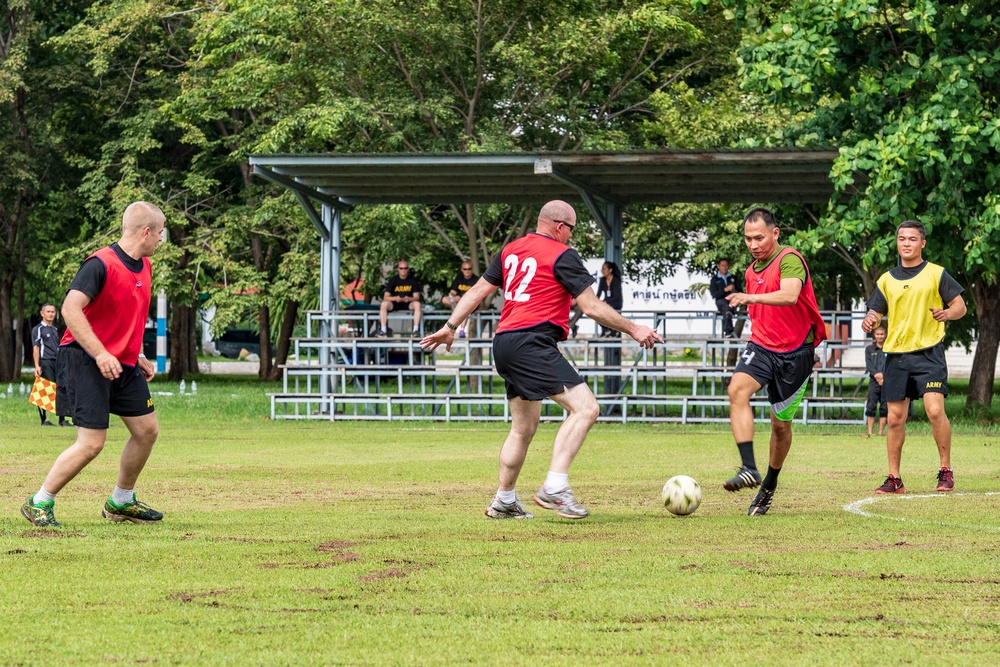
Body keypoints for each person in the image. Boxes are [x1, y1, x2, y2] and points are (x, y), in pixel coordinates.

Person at [420, 200, 662, 520]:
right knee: (586, 408)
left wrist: (450, 327)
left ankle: (504, 500)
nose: (571, 238)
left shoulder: (511, 250)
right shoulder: (562, 255)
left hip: (504, 343)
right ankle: (555, 488)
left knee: (523, 427)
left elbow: (478, 290)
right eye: (571, 231)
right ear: (560, 227)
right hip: (532, 342)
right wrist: (634, 328)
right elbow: (590, 306)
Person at [21, 201, 167, 529]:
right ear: (146, 232)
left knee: (146, 431)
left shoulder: (145, 266)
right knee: (91, 443)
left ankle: (121, 502)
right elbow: (71, 309)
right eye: (160, 233)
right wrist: (101, 353)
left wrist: (138, 354)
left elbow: (127, 314)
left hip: (122, 363)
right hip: (87, 359)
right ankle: (39, 501)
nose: (161, 239)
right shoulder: (100, 263)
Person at [722, 208, 828, 516]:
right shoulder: (751, 270)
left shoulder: (790, 259)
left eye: (759, 237)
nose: (753, 245)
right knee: (737, 390)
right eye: (747, 239)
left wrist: (751, 298)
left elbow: (790, 295)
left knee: (780, 426)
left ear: (775, 233)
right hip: (762, 347)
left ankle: (768, 484)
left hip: (796, 354)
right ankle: (748, 468)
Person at [861, 220, 966, 495]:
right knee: (895, 418)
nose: (906, 243)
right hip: (896, 356)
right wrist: (870, 320)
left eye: (911, 239)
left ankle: (946, 470)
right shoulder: (886, 279)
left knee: (934, 410)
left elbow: (960, 306)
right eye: (901, 238)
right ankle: (894, 478)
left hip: (929, 353)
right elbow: (876, 311)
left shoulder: (936, 274)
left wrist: (947, 313)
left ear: (923, 243)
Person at [31, 303, 70, 427]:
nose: (51, 314)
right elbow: (36, 347)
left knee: (60, 388)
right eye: (48, 312)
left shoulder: (55, 330)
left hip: (56, 362)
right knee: (45, 388)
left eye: (52, 312)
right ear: (42, 313)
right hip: (45, 361)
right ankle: (44, 420)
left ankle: (62, 420)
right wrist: (37, 365)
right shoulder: (38, 329)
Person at [377, 261, 422, 337]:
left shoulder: (413, 280)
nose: (403, 270)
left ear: (408, 269)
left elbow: (417, 297)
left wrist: (409, 299)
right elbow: (386, 296)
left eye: (405, 268)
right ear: (398, 269)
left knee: (417, 304)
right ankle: (383, 330)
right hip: (394, 303)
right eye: (401, 268)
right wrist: (395, 298)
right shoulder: (393, 280)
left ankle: (416, 330)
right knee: (384, 304)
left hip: (408, 303)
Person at [441, 261, 479, 337]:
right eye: (465, 269)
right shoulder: (459, 278)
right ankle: (455, 310)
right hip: (457, 302)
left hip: (470, 303)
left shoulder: (476, 279)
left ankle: (462, 329)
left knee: (464, 307)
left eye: (469, 269)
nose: (467, 271)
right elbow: (453, 292)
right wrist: (453, 296)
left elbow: (476, 294)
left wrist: (461, 297)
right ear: (462, 269)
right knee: (444, 299)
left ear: (472, 269)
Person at [864, 324, 888, 438]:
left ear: (885, 335)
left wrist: (883, 377)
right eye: (878, 334)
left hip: (887, 381)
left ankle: (880, 432)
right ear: (874, 335)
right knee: (871, 405)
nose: (880, 336)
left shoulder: (889, 348)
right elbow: (869, 365)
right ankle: (870, 432)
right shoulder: (869, 349)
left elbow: (890, 365)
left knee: (885, 406)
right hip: (874, 381)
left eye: (882, 334)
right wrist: (877, 376)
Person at [709, 259, 742, 338]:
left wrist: (734, 290)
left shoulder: (733, 278)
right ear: (718, 266)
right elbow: (714, 294)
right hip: (721, 302)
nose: (724, 267)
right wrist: (725, 290)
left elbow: (741, 292)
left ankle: (728, 330)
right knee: (726, 307)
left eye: (726, 265)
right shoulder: (715, 280)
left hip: (732, 301)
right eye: (722, 265)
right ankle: (728, 330)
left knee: (728, 307)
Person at [596, 261, 623, 337]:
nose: (602, 271)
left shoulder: (616, 280)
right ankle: (606, 329)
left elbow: (617, 296)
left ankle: (612, 330)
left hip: (616, 302)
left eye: (604, 269)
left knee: (607, 310)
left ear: (610, 270)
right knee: (595, 311)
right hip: (606, 303)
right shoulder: (602, 280)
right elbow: (598, 293)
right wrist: (595, 300)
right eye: (602, 269)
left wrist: (605, 301)